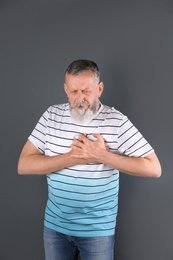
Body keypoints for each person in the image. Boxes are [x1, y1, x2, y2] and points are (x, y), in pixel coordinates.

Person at [17, 59, 161, 260]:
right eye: (73, 91)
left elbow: (154, 168)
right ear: (66, 89)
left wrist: (102, 156)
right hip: (55, 227)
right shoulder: (51, 116)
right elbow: (24, 165)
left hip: (97, 231)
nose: (79, 98)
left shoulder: (116, 121)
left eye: (86, 91)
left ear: (99, 89)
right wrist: (72, 157)